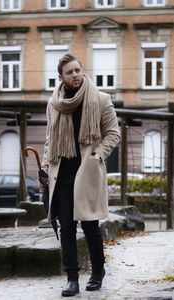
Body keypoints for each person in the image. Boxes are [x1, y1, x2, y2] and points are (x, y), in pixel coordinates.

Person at [41, 53, 120, 297]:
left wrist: (98, 156)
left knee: (90, 226)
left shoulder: (101, 99)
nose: (75, 75)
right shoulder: (54, 103)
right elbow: (49, 140)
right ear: (61, 77)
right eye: (69, 72)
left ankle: (97, 272)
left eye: (78, 70)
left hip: (87, 171)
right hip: (62, 171)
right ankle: (72, 278)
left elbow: (113, 134)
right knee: (66, 227)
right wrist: (44, 168)